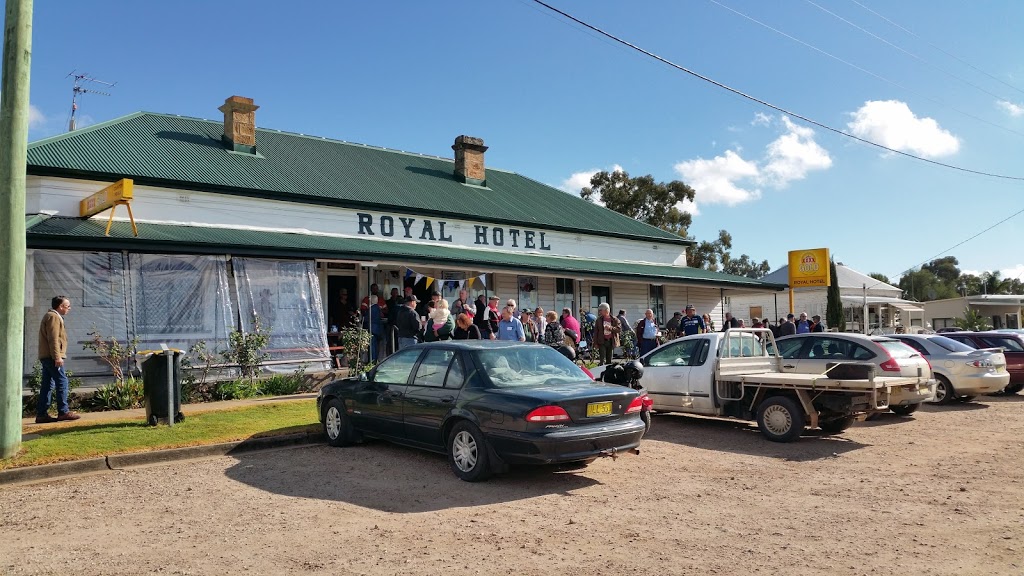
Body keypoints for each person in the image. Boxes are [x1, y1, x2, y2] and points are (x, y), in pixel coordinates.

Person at [36, 296, 80, 423]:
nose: (69, 309)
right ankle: (63, 412)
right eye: (67, 306)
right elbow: (53, 338)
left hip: (47, 356)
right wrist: (57, 357)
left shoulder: (51, 316)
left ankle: (41, 414)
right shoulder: (53, 316)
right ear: (60, 306)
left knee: (47, 385)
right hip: (52, 357)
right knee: (62, 381)